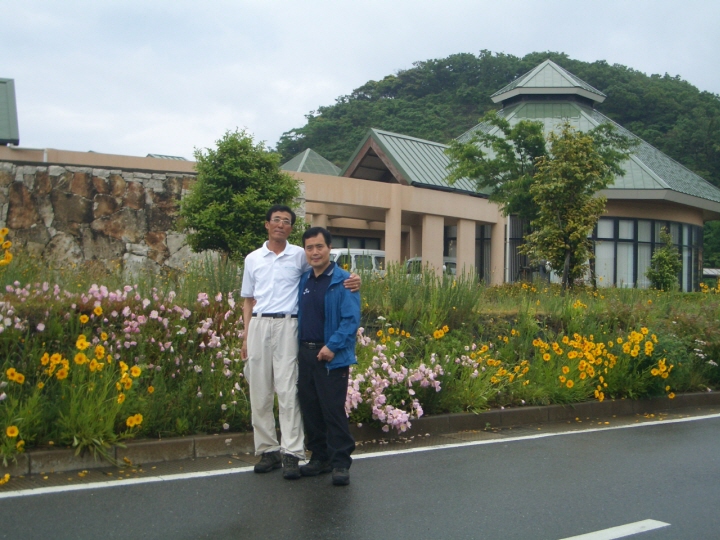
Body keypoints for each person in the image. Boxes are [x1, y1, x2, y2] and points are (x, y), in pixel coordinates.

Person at [240, 205, 359, 480]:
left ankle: (296, 454)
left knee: (292, 393)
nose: (280, 224)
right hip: (265, 327)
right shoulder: (254, 259)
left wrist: (354, 279)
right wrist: (246, 335)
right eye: (276, 220)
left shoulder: (302, 257)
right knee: (266, 393)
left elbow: (332, 276)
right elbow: (248, 299)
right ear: (267, 224)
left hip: (292, 328)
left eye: (286, 221)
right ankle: (271, 450)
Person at [297, 227, 360, 486]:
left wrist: (332, 346)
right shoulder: (304, 279)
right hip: (306, 353)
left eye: (319, 246)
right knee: (311, 409)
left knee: (332, 410)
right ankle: (319, 457)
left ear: (329, 248)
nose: (314, 252)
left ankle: (340, 462)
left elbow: (351, 319)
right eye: (309, 247)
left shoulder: (344, 280)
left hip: (331, 356)